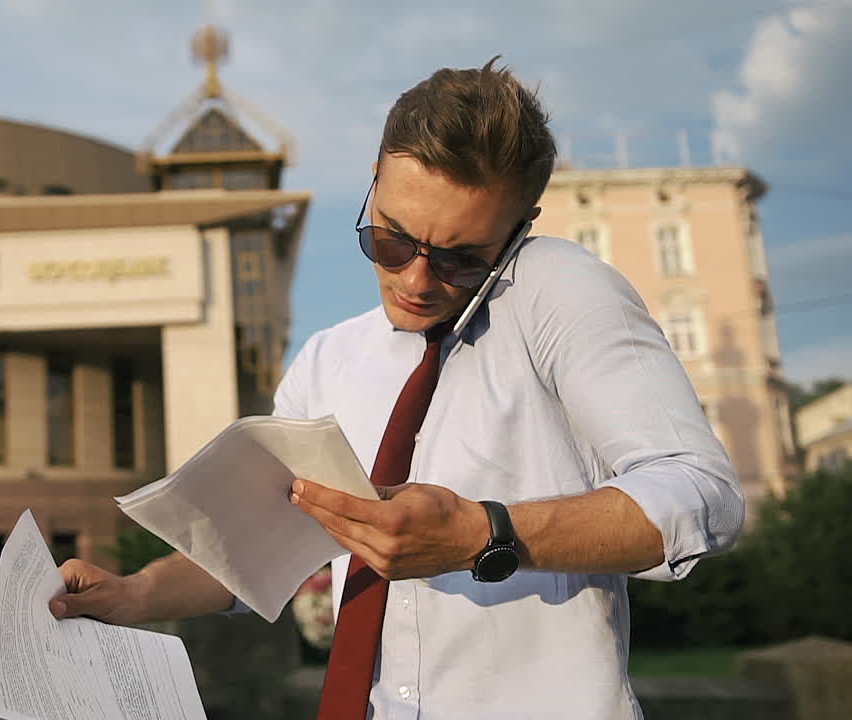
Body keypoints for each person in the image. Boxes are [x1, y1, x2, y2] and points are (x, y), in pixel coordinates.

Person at [49, 57, 744, 718]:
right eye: (391, 239)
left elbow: (700, 493)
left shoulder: (557, 289)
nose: (415, 281)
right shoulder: (327, 360)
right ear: (374, 180)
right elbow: (260, 549)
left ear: (520, 232)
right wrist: (136, 593)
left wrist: (483, 533)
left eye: (461, 260)